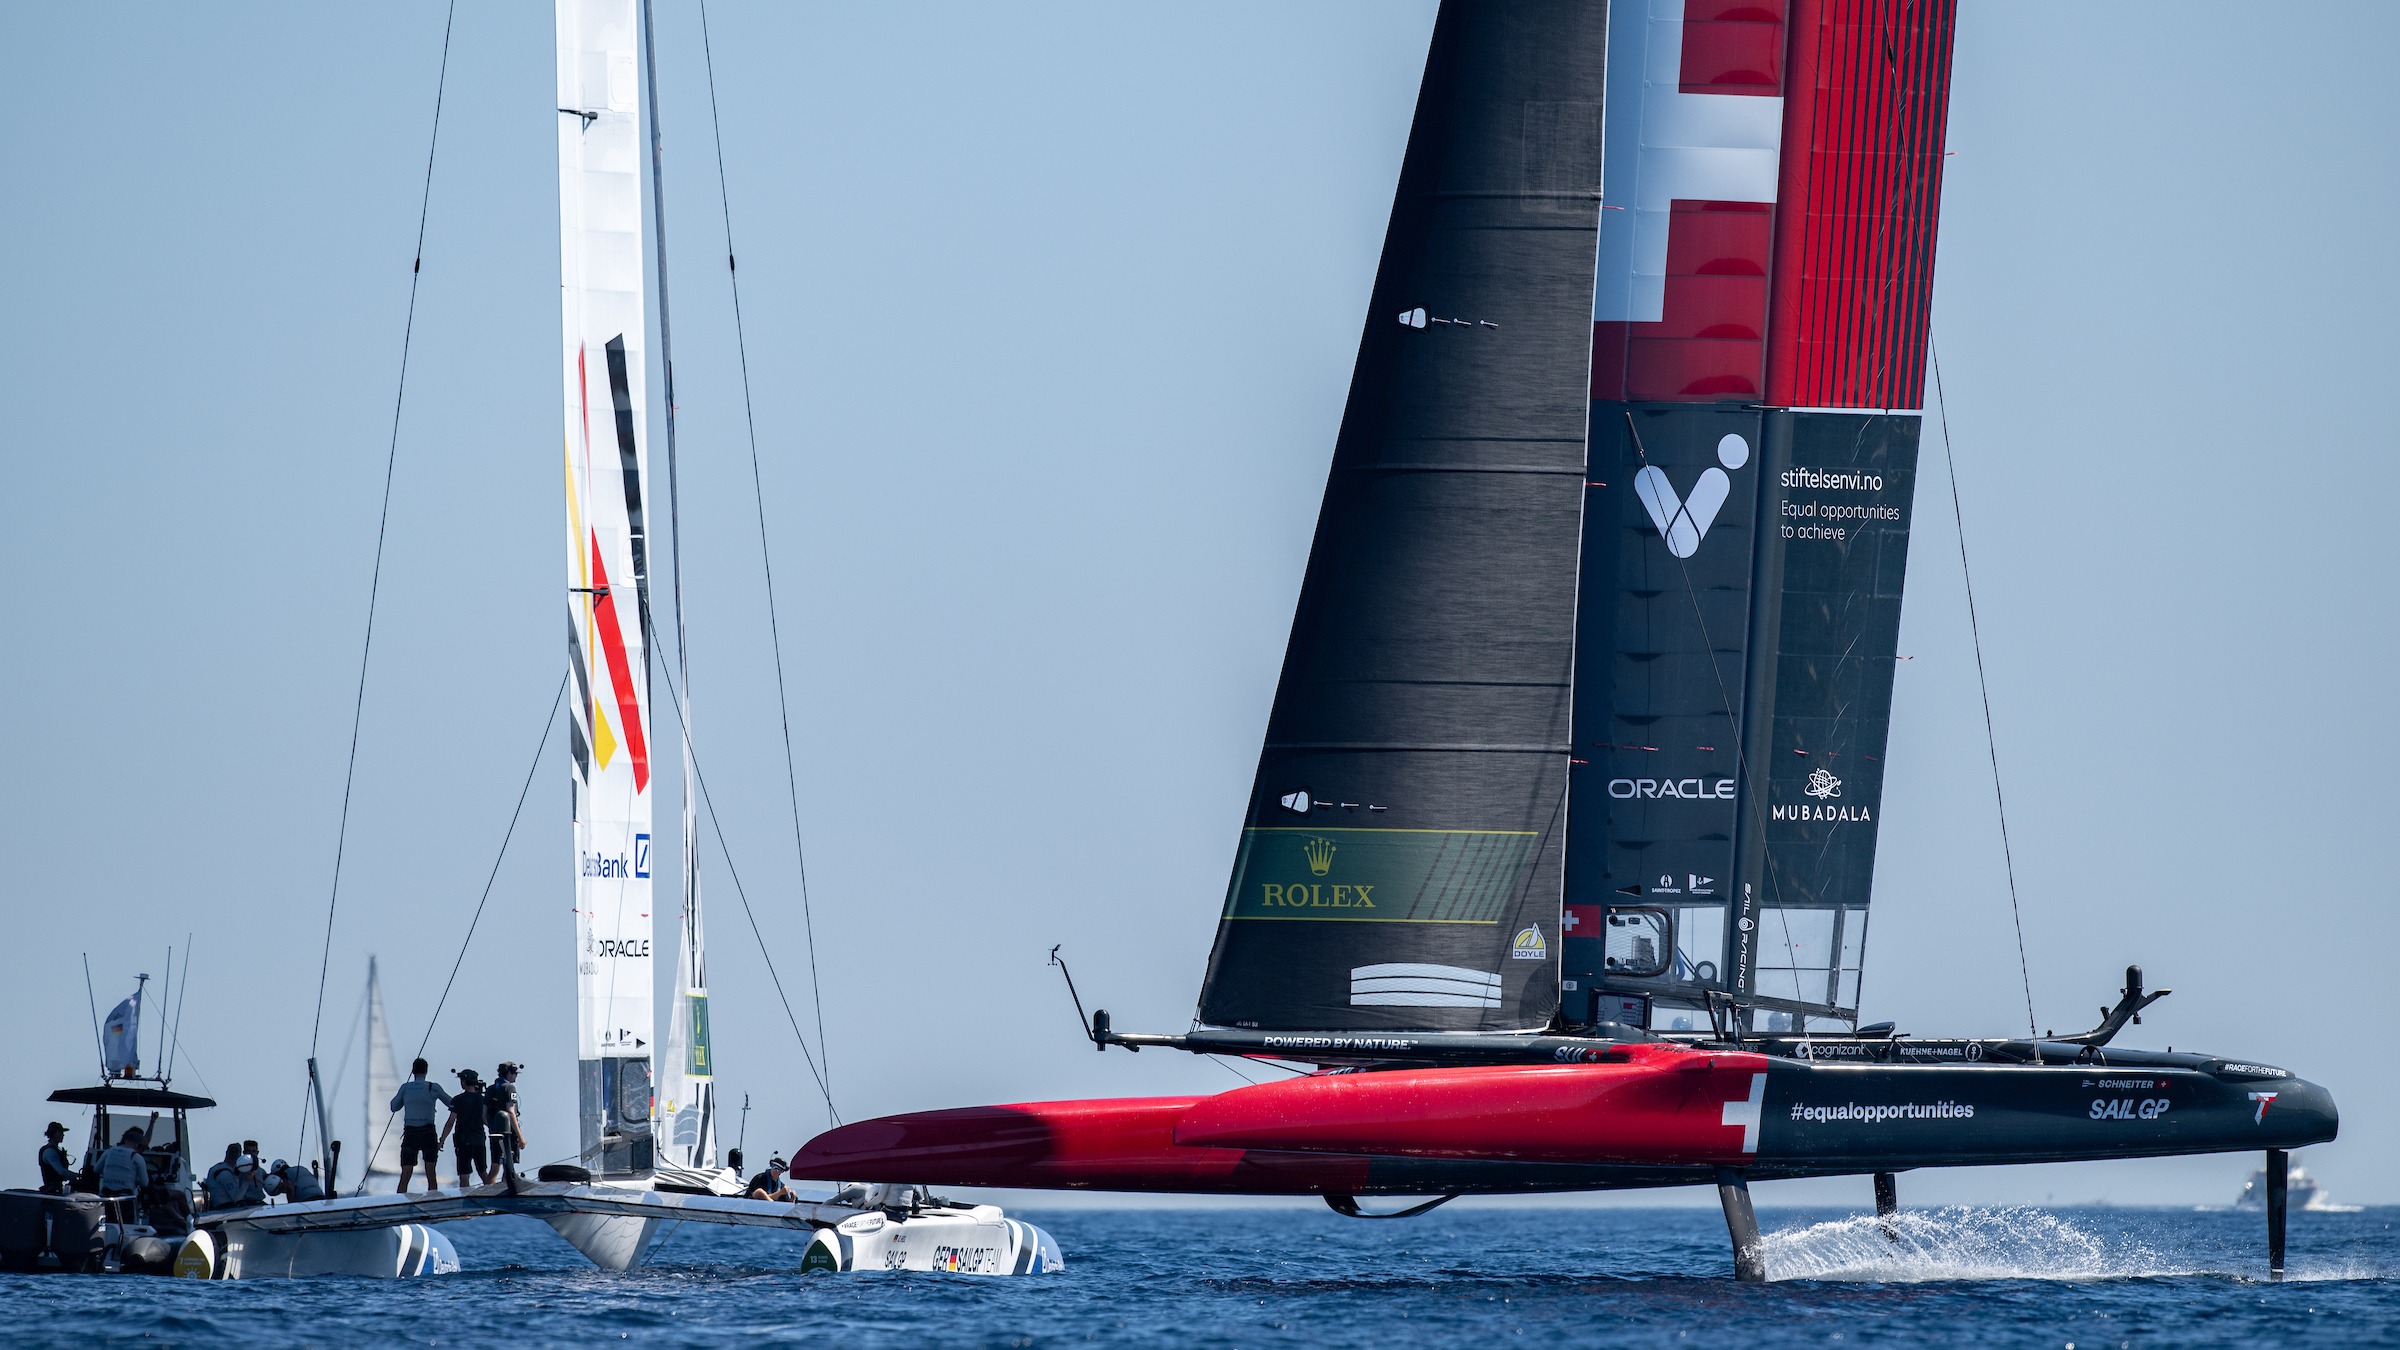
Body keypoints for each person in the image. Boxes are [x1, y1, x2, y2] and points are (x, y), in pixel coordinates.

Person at [388, 1056, 454, 1194]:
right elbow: (452, 1104)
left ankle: (400, 1202)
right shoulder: (432, 1087)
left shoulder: (406, 1088)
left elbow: (394, 1107)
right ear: (426, 1072)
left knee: (405, 1173)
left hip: (410, 1132)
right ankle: (432, 1201)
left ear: (413, 1072)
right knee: (431, 1173)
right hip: (428, 1131)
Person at [438, 1069, 493, 1188]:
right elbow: (486, 1120)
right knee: (483, 1172)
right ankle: (492, 1195)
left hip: (463, 1141)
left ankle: (466, 1200)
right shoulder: (482, 1100)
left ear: (463, 1082)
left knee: (464, 1175)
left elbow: (451, 1122)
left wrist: (442, 1139)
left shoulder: (458, 1100)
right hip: (479, 1139)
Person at [486, 1063, 525, 1195]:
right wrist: (520, 1136)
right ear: (509, 1074)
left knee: (494, 1166)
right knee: (509, 1166)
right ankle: (504, 1194)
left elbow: (483, 1114)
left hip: (494, 1132)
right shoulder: (510, 1088)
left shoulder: (491, 1089)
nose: (515, 1077)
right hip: (509, 1134)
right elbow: (511, 1111)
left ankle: (487, 1195)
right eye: (515, 1074)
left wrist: (492, 1127)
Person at [96, 1126, 149, 1201]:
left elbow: (96, 1169)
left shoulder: (109, 1151)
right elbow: (144, 1183)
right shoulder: (137, 1157)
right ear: (137, 1144)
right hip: (126, 1199)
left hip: (106, 1196)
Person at [203, 1144, 244, 1210]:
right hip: (225, 1209)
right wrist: (246, 1181)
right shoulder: (224, 1173)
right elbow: (237, 1198)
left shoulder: (216, 1168)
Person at [37, 1122, 74, 1195]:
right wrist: (79, 1177)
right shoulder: (49, 1152)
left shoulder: (55, 1150)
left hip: (57, 1188)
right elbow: (61, 1172)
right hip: (52, 1190)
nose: (63, 1135)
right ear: (53, 1134)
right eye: (60, 1132)